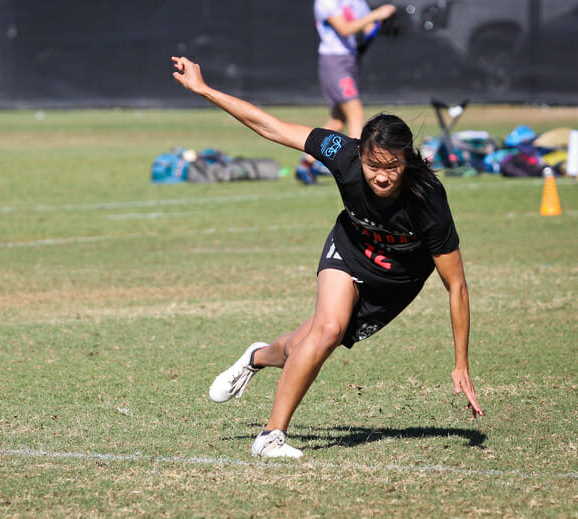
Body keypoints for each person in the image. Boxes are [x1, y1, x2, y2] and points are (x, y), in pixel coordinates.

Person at [171, 56, 484, 458]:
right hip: (350, 249)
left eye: (392, 167)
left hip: (395, 283)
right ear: (361, 155)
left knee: (302, 346)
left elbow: (455, 285)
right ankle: (270, 437)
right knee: (328, 329)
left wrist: (461, 362)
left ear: (407, 161)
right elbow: (272, 126)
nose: (382, 176)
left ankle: (255, 357)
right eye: (373, 166)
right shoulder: (342, 153)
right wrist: (205, 90)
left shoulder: (427, 200)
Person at [296, 0, 397, 184]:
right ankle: (355, 168)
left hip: (350, 60)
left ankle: (306, 164)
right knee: (356, 113)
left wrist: (381, 24)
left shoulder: (355, 2)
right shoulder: (326, 2)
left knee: (337, 120)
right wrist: (376, 14)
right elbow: (344, 29)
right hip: (334, 62)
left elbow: (367, 30)